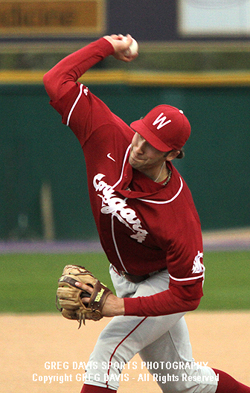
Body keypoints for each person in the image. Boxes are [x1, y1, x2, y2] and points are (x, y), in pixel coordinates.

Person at [43, 34, 250, 393]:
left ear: (171, 155)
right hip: (124, 274)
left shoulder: (177, 212)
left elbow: (188, 294)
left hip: (161, 282)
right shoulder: (107, 133)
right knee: (182, 384)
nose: (138, 146)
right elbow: (56, 81)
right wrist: (107, 45)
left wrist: (117, 306)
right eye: (140, 134)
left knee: (108, 351)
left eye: (151, 146)